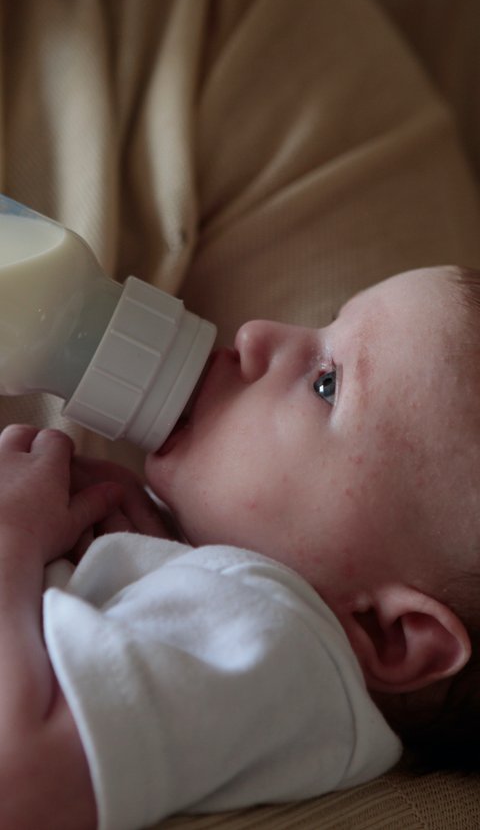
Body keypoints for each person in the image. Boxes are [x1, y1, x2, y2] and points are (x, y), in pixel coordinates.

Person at [1, 263, 479, 830]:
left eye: (327, 384)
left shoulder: (278, 638)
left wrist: (13, 536)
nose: (255, 332)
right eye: (323, 324)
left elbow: (16, 784)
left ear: (386, 633)